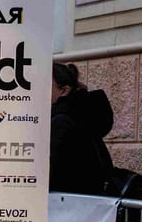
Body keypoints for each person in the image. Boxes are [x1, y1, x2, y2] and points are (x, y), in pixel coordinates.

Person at [50, 61, 116, 194]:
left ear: (64, 90)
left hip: (67, 201)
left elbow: (50, 173)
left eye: (44, 84)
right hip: (84, 200)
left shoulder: (61, 122)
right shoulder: (81, 116)